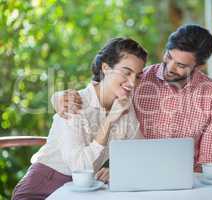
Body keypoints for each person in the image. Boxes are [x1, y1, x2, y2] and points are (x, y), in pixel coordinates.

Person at [53, 24, 212, 173]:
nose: (169, 67)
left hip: (187, 180)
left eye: (180, 65)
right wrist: (59, 97)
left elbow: (210, 165)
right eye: (169, 57)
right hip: (134, 176)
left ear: (199, 66)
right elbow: (98, 94)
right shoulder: (139, 79)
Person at [12, 38, 147, 200]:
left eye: (138, 76)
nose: (133, 82)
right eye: (126, 72)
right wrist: (110, 120)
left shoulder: (125, 105)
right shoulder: (73, 103)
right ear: (105, 68)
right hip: (42, 187)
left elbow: (140, 150)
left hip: (84, 190)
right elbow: (80, 167)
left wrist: (119, 169)